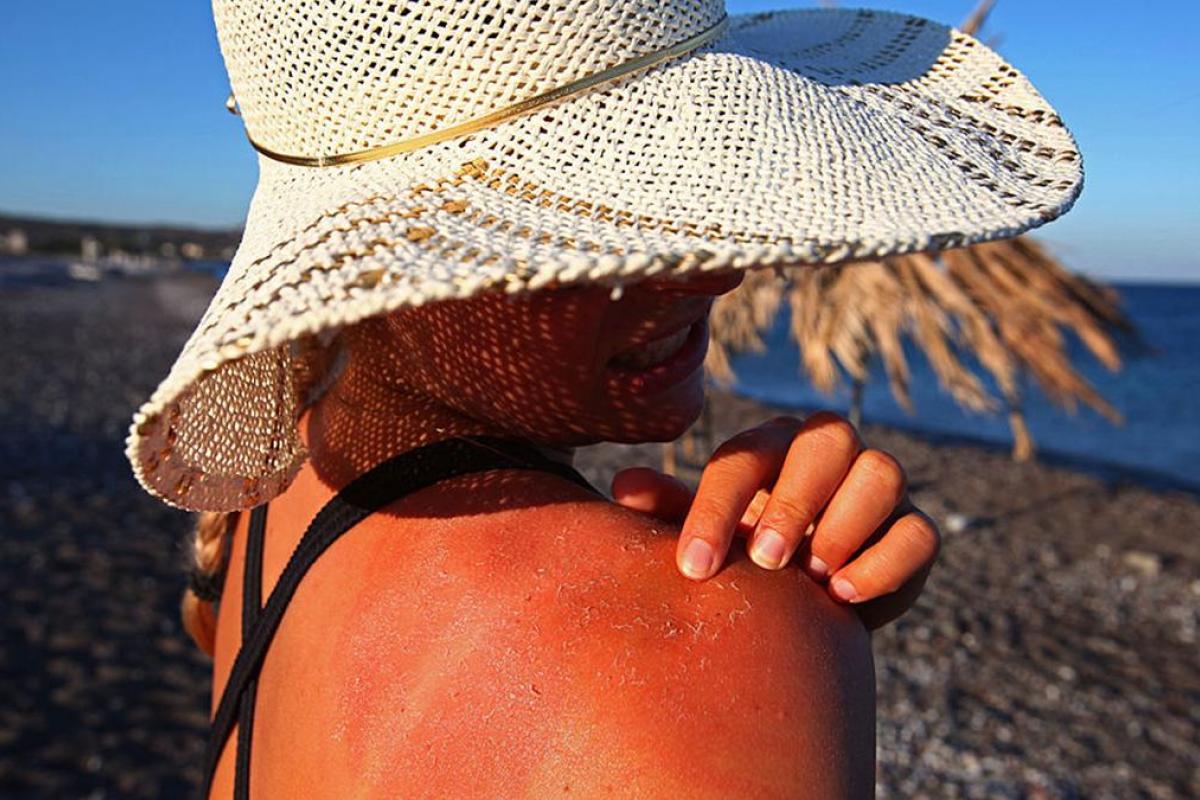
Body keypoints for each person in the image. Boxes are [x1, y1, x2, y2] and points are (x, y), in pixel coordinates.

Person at [128, 1, 1082, 797]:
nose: (712, 277)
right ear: (387, 254)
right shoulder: (703, 645)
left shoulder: (281, 495)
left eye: (687, 187)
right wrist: (782, 640)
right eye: (579, 229)